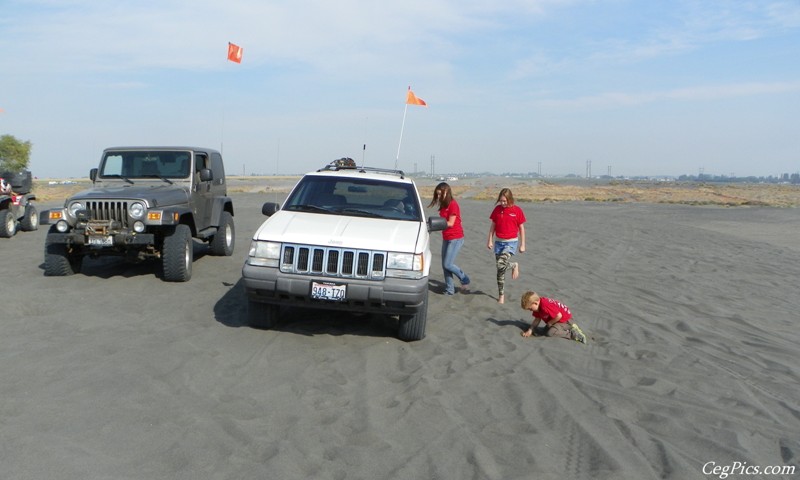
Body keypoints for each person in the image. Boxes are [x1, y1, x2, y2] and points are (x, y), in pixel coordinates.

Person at [428, 182, 470, 295]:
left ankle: (464, 278)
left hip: (456, 238)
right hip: (446, 237)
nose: (438, 197)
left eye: (440, 194)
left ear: (446, 192)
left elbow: (450, 223)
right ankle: (450, 289)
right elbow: (443, 223)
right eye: (437, 194)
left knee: (448, 264)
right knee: (445, 265)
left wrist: (435, 225)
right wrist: (431, 227)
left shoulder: (453, 204)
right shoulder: (443, 205)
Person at [487, 188, 526, 304]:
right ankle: (501, 295)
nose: (503, 203)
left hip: (511, 242)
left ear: (510, 199)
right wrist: (489, 240)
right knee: (500, 270)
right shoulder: (497, 210)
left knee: (500, 264)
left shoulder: (517, 210)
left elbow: (522, 229)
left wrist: (522, 244)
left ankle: (514, 265)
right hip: (499, 242)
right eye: (501, 201)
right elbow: (492, 226)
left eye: (505, 201)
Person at [520, 291, 587, 344]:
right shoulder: (537, 307)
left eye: (530, 308)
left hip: (565, 320)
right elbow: (537, 319)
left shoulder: (545, 305)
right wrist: (530, 330)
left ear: (535, 303)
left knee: (550, 333)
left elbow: (559, 316)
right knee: (545, 331)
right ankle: (565, 329)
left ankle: (572, 333)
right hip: (556, 320)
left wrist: (550, 323)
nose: (530, 310)